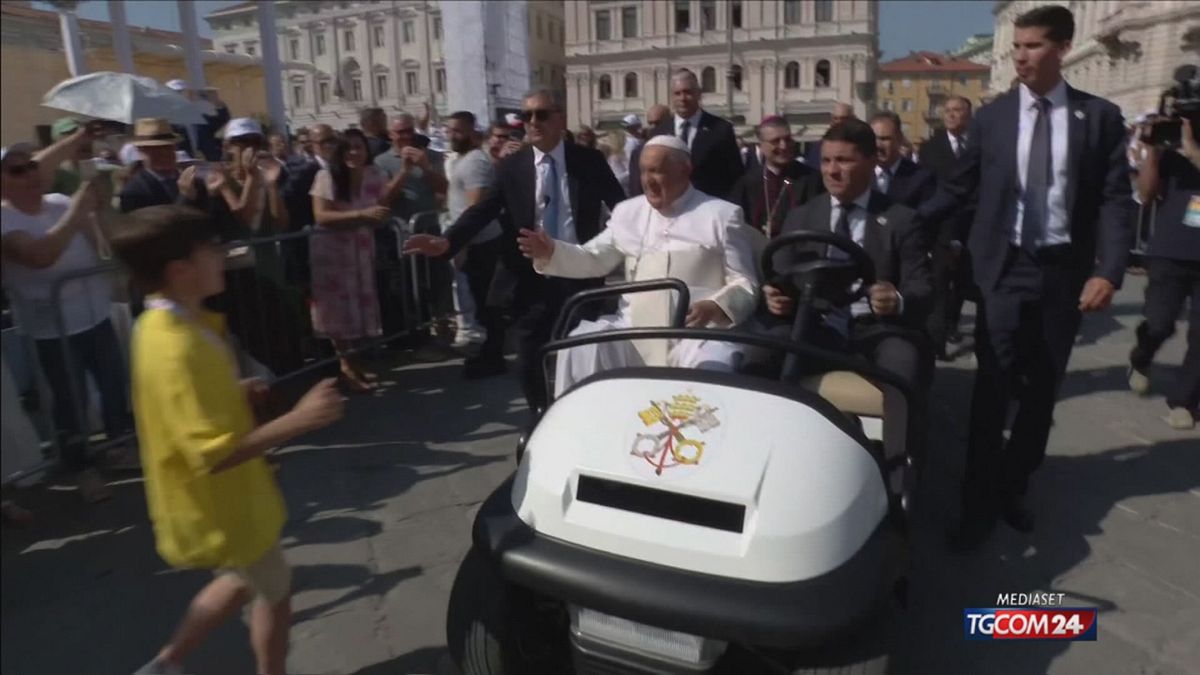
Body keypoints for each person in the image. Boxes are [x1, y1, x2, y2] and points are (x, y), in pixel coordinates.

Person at [923, 5, 1134, 551]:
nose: (1020, 56)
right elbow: (957, 188)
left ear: (1062, 48)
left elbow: (1115, 199)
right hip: (1004, 270)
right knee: (992, 388)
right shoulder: (993, 119)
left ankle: (1012, 484)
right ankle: (976, 504)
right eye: (1016, 46)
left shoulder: (1100, 118)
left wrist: (1109, 270)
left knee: (1042, 393)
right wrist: (894, 215)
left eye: (1033, 46)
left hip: (1063, 274)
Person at [112, 205, 343, 675]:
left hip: (223, 502)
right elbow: (207, 452)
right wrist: (300, 419)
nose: (224, 256)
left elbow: (177, 409)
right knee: (274, 592)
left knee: (242, 579)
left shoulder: (162, 325)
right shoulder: (178, 345)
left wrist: (234, 394)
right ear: (180, 270)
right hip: (225, 504)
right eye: (212, 250)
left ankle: (166, 664)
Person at [403, 88, 626, 415]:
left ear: (560, 119)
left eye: (541, 114)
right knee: (530, 353)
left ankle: (578, 417)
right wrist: (448, 241)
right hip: (529, 277)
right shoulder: (512, 167)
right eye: (526, 116)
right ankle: (539, 415)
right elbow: (482, 211)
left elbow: (621, 208)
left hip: (578, 273)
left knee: (578, 352)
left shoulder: (587, 161)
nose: (532, 122)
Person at [518, 136, 760, 395]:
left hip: (697, 335)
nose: (648, 181)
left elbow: (745, 285)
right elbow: (594, 259)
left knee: (710, 369)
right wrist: (553, 252)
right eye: (643, 171)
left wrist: (715, 307)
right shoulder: (627, 213)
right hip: (635, 328)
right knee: (582, 344)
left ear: (684, 170)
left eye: (656, 171)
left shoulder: (721, 215)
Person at [759, 119, 933, 398]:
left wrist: (897, 299)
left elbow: (922, 288)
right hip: (816, 325)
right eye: (826, 161)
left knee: (903, 364)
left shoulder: (902, 220)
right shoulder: (801, 217)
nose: (831, 171)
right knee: (760, 354)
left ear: (871, 161)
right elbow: (780, 276)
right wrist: (775, 296)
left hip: (879, 328)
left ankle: (899, 441)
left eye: (843, 161)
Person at [1, 144, 129, 503]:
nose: (28, 175)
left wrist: (100, 209)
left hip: (95, 313)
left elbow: (107, 244)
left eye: (30, 167)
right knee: (68, 400)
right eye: (16, 171)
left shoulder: (59, 200)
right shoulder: (5, 218)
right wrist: (78, 210)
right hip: (52, 328)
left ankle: (118, 447)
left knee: (113, 382)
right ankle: (81, 467)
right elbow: (39, 256)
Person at [1127, 117, 1200, 429]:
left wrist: (1193, 150)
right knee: (1159, 323)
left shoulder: (1189, 149)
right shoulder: (1171, 153)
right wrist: (1152, 153)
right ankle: (1141, 358)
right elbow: (1145, 195)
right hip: (1170, 251)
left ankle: (1183, 401)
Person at [310, 129, 391, 392]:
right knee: (337, 312)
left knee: (357, 307)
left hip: (361, 249)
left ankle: (354, 364)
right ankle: (345, 366)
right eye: (348, 149)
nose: (354, 153)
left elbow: (385, 203)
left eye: (359, 147)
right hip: (332, 252)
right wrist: (361, 214)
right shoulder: (326, 176)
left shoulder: (373, 174)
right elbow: (321, 216)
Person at [443, 111, 508, 377]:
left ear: (471, 131)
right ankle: (489, 353)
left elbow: (476, 208)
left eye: (457, 130)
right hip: (474, 243)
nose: (451, 135)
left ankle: (493, 357)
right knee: (482, 303)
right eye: (449, 131)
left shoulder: (475, 162)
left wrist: (463, 245)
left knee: (488, 304)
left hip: (481, 245)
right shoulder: (463, 160)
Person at [919, 96, 977, 358]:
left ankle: (953, 323)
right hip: (941, 227)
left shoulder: (979, 145)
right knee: (940, 288)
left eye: (958, 110)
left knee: (964, 283)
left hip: (973, 227)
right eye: (948, 111)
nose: (952, 115)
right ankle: (938, 344)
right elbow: (926, 189)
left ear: (968, 115)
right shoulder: (931, 148)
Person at [637, 70, 742, 199]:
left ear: (699, 94)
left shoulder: (721, 129)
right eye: (677, 93)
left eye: (688, 92)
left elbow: (736, 175)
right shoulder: (658, 133)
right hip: (669, 207)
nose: (683, 98)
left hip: (709, 206)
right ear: (672, 97)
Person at [727, 116, 823, 238]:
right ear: (761, 145)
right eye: (775, 141)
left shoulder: (812, 179)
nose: (783, 146)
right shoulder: (747, 183)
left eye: (787, 139)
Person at [870, 112, 937, 211]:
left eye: (885, 139)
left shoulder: (921, 178)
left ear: (900, 139)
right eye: (873, 138)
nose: (878, 145)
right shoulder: (859, 174)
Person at [119, 118, 186, 213]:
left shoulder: (190, 181)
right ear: (140, 151)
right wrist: (185, 197)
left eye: (167, 147)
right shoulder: (135, 191)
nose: (164, 153)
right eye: (155, 149)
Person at [165, 80, 230, 162]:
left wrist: (216, 101)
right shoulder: (164, 123)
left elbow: (222, 118)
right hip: (182, 166)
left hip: (210, 164)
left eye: (182, 92)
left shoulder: (201, 120)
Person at [627, 104, 670, 195]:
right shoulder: (638, 152)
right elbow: (635, 186)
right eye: (650, 123)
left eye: (658, 123)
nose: (654, 127)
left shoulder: (681, 147)